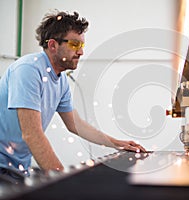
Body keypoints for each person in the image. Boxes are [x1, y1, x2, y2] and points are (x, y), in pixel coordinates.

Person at [0, 10, 146, 182]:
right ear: (53, 45)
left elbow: (76, 125)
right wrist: (62, 180)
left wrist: (117, 143)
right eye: (75, 45)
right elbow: (32, 134)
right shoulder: (28, 70)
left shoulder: (60, 79)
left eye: (82, 46)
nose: (81, 52)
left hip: (17, 168)